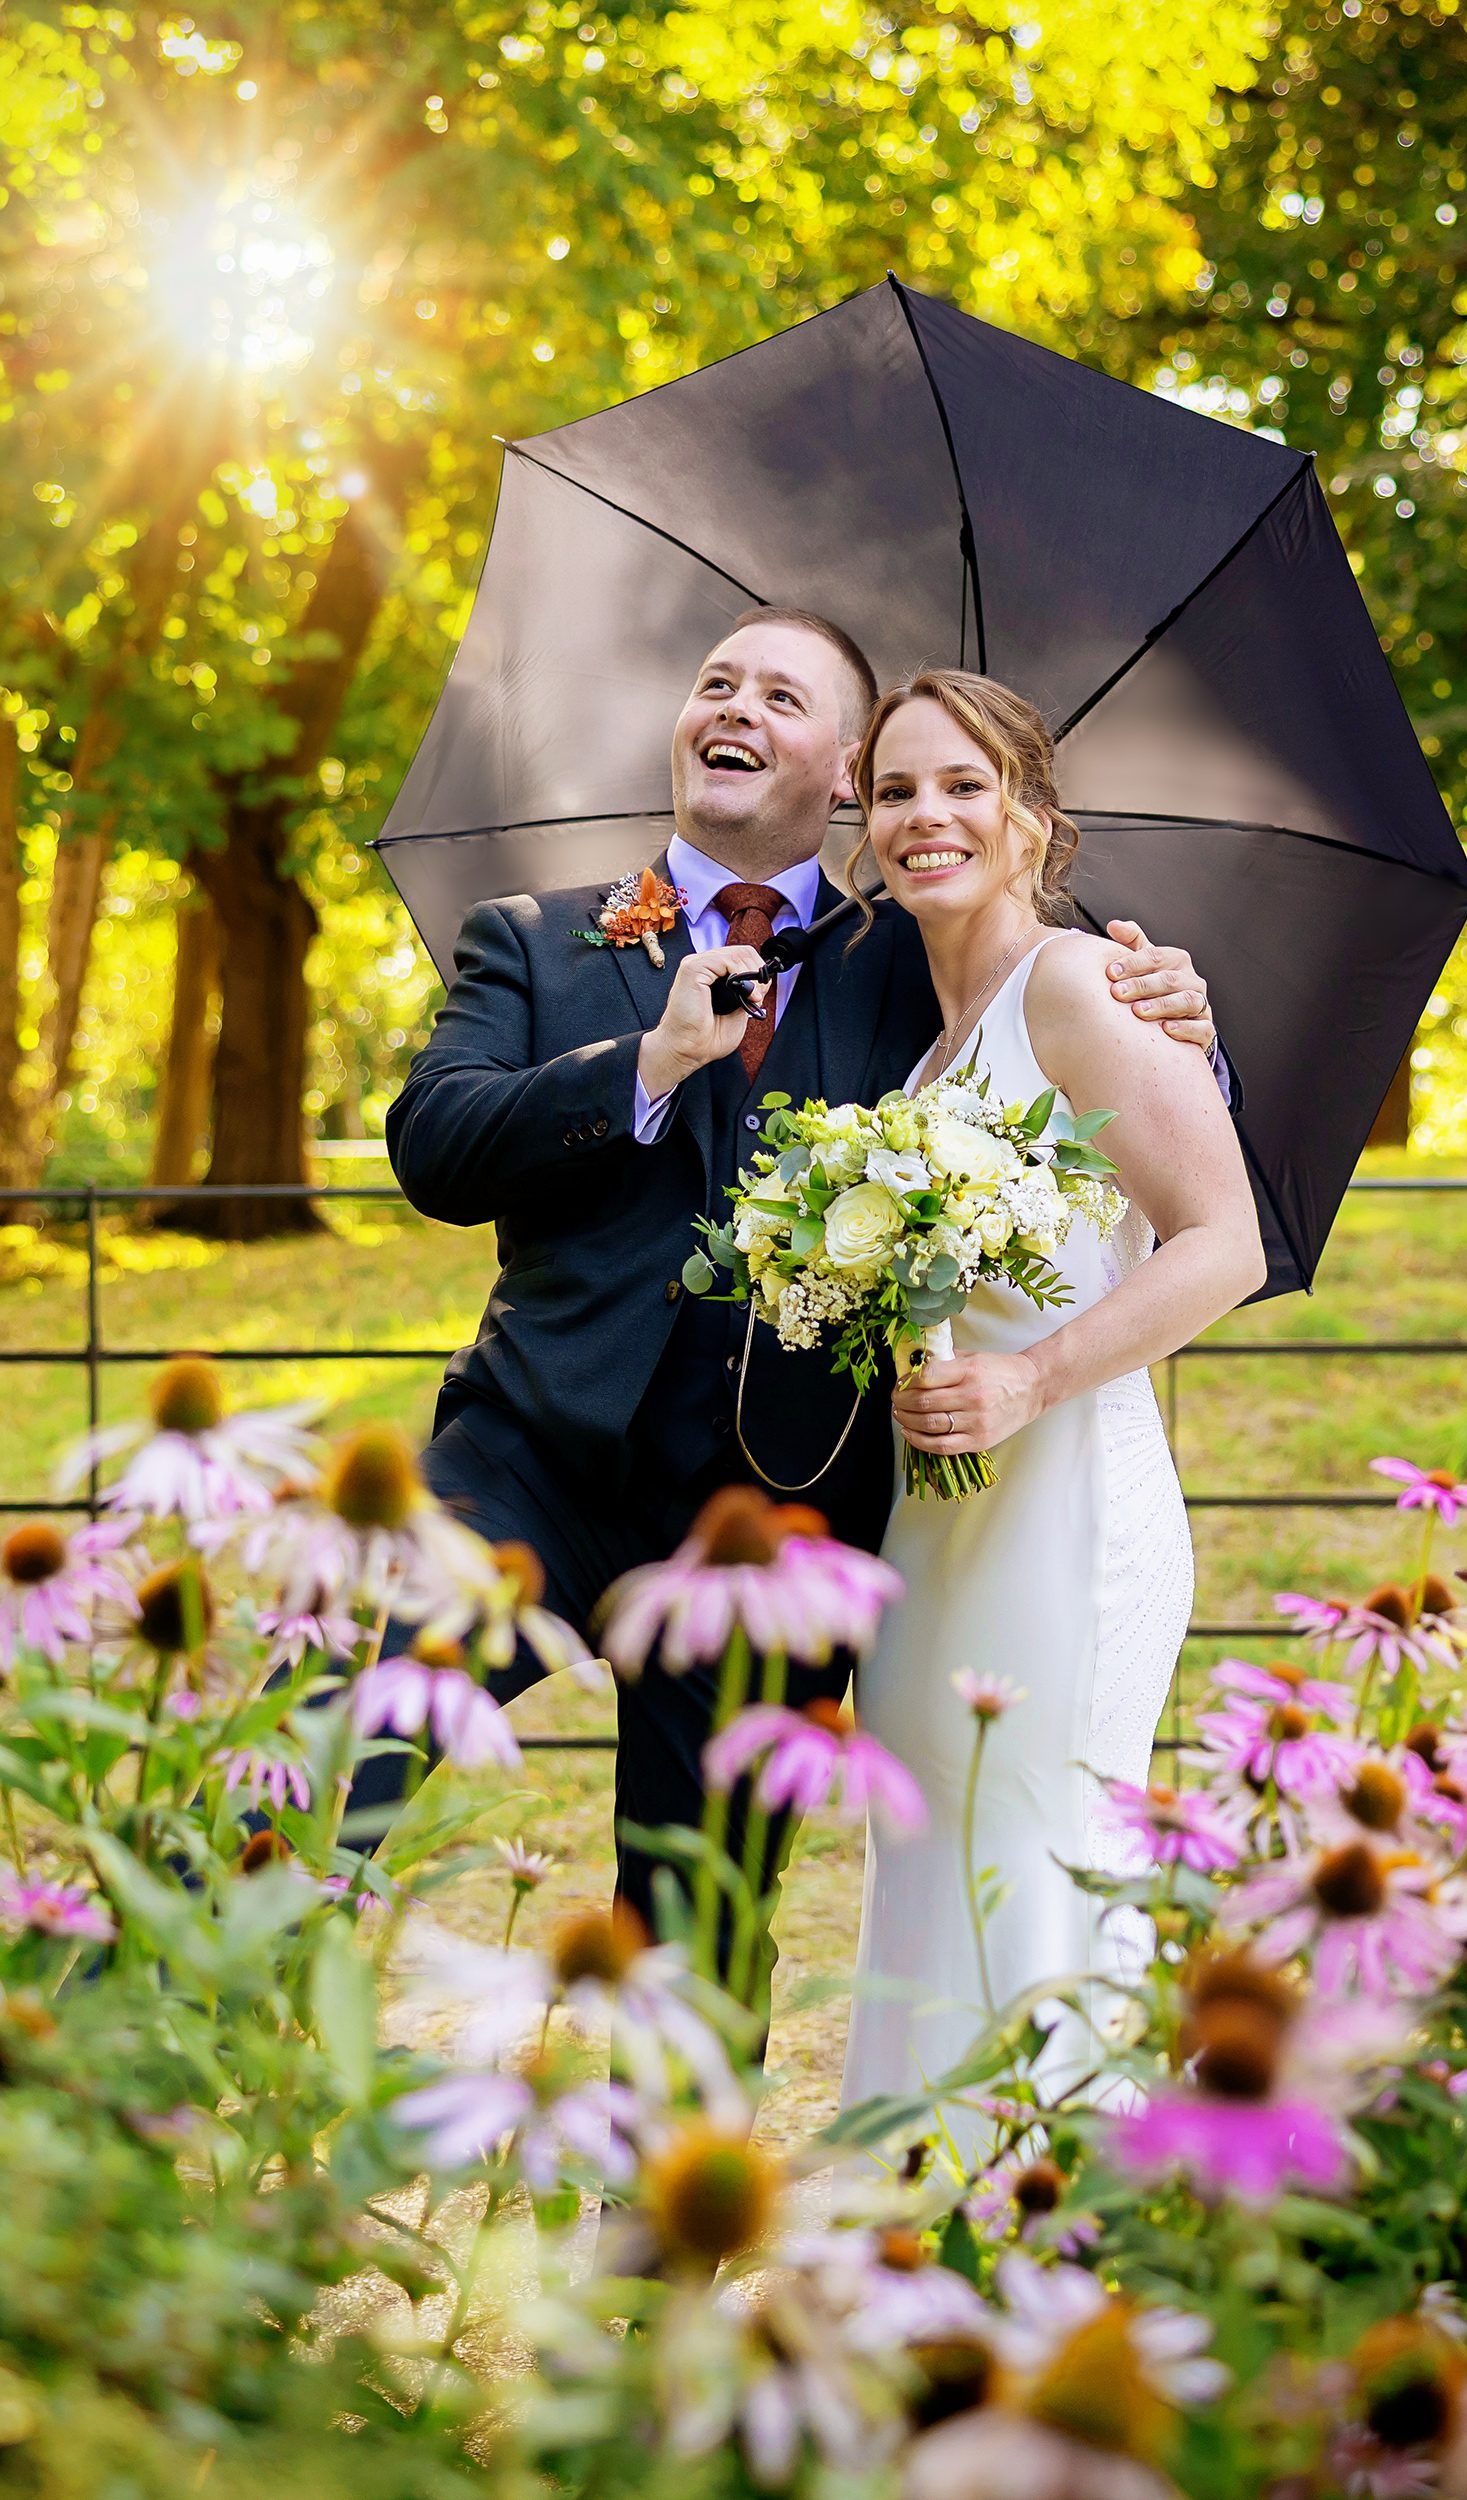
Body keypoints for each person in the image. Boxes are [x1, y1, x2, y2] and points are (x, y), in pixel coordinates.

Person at [386, 609, 1223, 1946]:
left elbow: (1063, 1049)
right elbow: (433, 1149)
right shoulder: (533, 940)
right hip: (525, 1465)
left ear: (843, 774)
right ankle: (115, 2049)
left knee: (700, 1938)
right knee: (324, 1764)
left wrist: (1180, 1015)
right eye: (716, 683)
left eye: (783, 697)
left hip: (775, 1521)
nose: (736, 706)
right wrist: (647, 1063)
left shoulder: (916, 952)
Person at [832, 669, 1265, 2117]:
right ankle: (938, 2211)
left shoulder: (1078, 985)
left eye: (965, 784)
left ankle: (1078, 2213)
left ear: (1031, 815)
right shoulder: (922, 1054)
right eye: (897, 789)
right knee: (935, 1870)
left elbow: (1222, 1243)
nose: (927, 815)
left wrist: (1029, 1377)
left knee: (1052, 1866)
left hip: (1070, 1509)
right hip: (938, 1526)